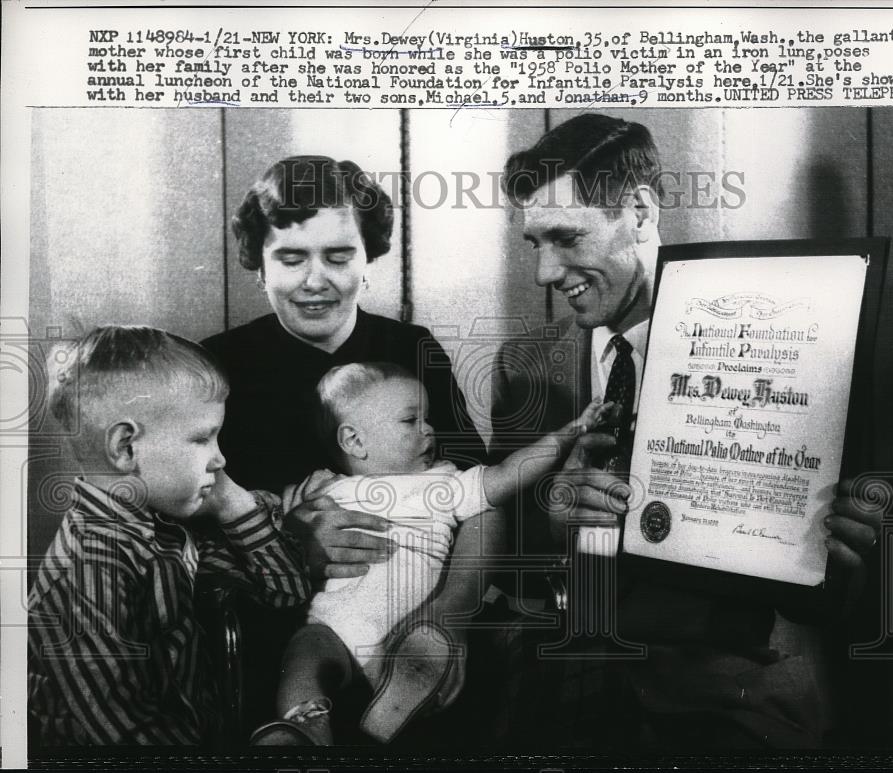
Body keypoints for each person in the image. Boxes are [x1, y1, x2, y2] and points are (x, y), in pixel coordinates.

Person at [490, 114, 885, 750]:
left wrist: (842, 555)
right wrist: (552, 507)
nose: (544, 271)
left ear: (640, 211)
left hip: (731, 689)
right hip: (557, 674)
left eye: (565, 237)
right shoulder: (523, 366)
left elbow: (832, 600)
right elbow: (501, 557)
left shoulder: (791, 353)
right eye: (533, 243)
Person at [200, 156, 497, 736]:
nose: (317, 280)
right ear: (259, 266)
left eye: (339, 256)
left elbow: (486, 498)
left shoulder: (411, 347)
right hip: (279, 624)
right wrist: (285, 549)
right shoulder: (218, 364)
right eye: (291, 258)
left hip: (422, 608)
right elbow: (190, 518)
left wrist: (449, 617)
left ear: (368, 260)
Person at [249, 362, 614, 745]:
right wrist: (286, 523)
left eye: (428, 418)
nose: (429, 429)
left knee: (421, 661)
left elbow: (509, 473)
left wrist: (572, 430)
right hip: (335, 629)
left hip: (414, 627)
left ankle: (395, 712)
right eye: (410, 420)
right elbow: (267, 524)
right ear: (354, 441)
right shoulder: (321, 487)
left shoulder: (444, 482)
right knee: (304, 652)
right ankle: (305, 727)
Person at [27, 326, 310, 745]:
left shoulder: (168, 530)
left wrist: (232, 501)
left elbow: (287, 592)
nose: (220, 458)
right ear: (126, 448)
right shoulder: (88, 565)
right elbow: (125, 731)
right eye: (202, 439)